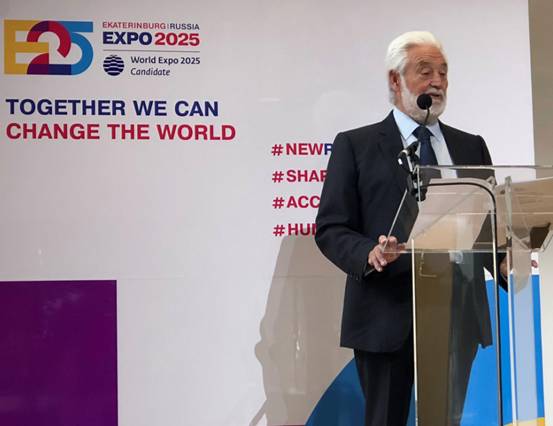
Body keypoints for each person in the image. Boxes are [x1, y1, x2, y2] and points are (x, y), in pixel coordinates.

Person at [315, 31, 504, 426]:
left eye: (443, 72)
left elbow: (486, 226)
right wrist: (369, 253)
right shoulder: (356, 145)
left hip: (457, 313)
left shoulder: (471, 146)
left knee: (446, 420)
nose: (437, 81)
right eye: (425, 71)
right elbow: (332, 227)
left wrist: (506, 261)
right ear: (395, 80)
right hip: (387, 312)